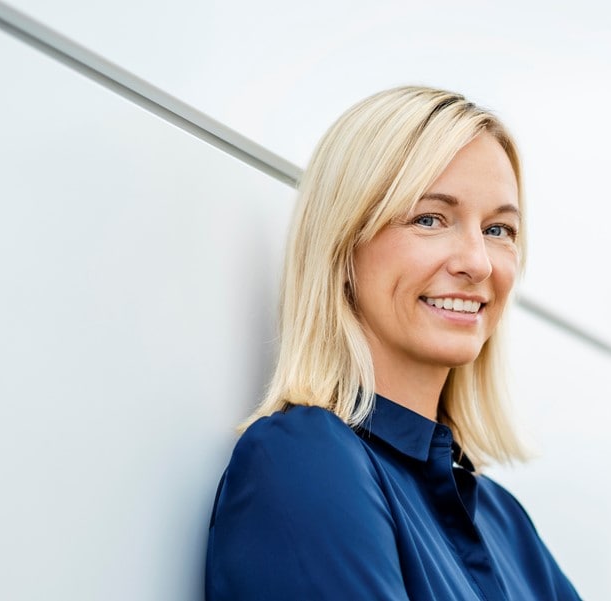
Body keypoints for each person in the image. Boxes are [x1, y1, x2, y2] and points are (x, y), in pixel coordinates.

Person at [204, 85, 582, 600]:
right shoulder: (304, 462)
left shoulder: (505, 524)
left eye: (499, 229)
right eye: (430, 219)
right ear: (344, 243)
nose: (478, 262)